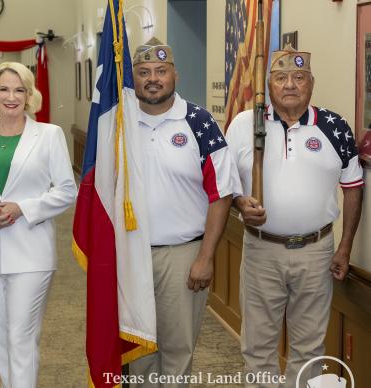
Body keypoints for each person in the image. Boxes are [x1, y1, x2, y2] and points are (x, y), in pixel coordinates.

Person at [226, 45, 364, 386]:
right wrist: (240, 203)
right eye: (280, 77)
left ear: (311, 84)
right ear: (268, 84)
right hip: (261, 251)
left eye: (298, 77)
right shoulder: (244, 125)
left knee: (310, 347)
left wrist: (345, 247)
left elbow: (353, 187)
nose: (290, 84)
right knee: (258, 348)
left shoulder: (334, 128)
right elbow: (223, 187)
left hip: (317, 253)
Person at [0, 61, 76, 388]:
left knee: (21, 334)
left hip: (32, 253)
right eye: (4, 89)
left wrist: (22, 208)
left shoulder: (49, 135)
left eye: (19, 89)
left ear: (29, 94)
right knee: (1, 335)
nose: (11, 97)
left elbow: (67, 190)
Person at [127, 38, 236, 387]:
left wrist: (206, 257)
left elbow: (220, 194)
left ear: (175, 75)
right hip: (129, 254)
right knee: (137, 349)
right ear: (133, 78)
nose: (153, 78)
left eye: (161, 71)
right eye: (144, 72)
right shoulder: (117, 123)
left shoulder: (198, 122)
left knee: (177, 349)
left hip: (182, 254)